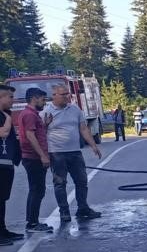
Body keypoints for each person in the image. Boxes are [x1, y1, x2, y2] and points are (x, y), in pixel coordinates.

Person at [44, 83, 103, 222]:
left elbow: (83, 128)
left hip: (75, 152)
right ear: (54, 96)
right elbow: (41, 132)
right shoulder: (46, 112)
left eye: (67, 94)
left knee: (82, 181)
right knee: (60, 183)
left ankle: (82, 208)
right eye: (63, 94)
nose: (67, 96)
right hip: (57, 153)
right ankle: (64, 211)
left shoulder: (75, 109)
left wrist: (93, 145)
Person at [17, 88, 52, 233]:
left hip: (33, 157)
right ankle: (32, 223)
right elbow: (30, 136)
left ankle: (32, 221)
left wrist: (45, 125)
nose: (44, 102)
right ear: (34, 98)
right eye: (43, 99)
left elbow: (35, 132)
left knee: (37, 189)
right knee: (37, 190)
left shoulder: (31, 114)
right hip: (33, 158)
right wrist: (43, 155)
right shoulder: (29, 115)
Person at [0, 85, 23, 244]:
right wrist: (8, 119)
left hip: (6, 163)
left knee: (2, 200)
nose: (13, 100)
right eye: (10, 97)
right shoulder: (5, 116)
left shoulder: (4, 114)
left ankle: (3, 230)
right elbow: (3, 133)